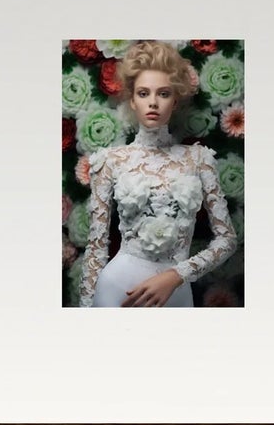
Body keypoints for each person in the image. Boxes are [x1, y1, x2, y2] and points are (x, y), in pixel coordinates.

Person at [78, 40, 238, 309]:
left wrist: (176, 275)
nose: (153, 102)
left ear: (175, 101)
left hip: (175, 293)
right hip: (116, 290)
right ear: (132, 99)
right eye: (143, 93)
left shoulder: (199, 159)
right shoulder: (110, 161)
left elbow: (227, 239)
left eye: (163, 94)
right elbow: (96, 249)